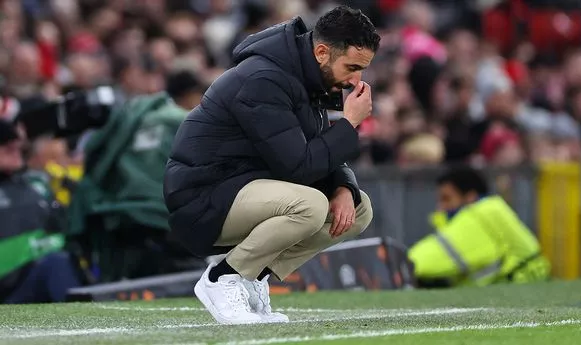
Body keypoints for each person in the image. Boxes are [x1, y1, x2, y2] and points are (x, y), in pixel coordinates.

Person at [164, 6, 379, 325]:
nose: (355, 80)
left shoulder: (307, 79)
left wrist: (344, 187)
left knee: (359, 209)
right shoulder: (264, 78)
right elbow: (299, 168)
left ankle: (252, 276)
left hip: (242, 188)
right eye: (351, 67)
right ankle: (222, 277)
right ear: (322, 52)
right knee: (310, 205)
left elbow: (312, 149)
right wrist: (349, 124)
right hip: (203, 197)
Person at [407, 166, 551, 288]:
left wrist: (399, 265)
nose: (441, 207)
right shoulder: (492, 211)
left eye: (447, 199)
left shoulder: (478, 215)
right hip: (527, 287)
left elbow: (425, 258)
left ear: (470, 197)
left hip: (516, 292)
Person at [0, 120, 81, 304]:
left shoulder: (35, 186)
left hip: (37, 279)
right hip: (10, 292)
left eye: (16, 146)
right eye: (6, 147)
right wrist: (38, 246)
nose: (15, 150)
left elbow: (63, 226)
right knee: (56, 263)